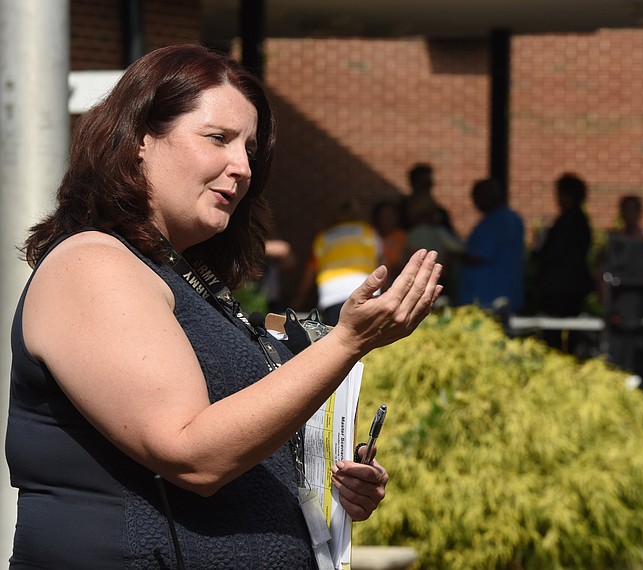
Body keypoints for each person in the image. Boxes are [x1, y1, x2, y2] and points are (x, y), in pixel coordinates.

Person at [5, 44, 442, 569]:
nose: (241, 167)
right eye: (218, 139)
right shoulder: (92, 264)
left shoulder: (180, 278)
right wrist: (347, 342)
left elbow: (236, 443)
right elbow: (191, 454)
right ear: (140, 139)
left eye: (251, 149)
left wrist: (323, 488)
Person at [529, 172, 595, 351]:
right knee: (571, 331)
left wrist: (538, 249)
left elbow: (552, 253)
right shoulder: (582, 221)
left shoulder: (567, 221)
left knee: (553, 333)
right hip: (572, 286)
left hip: (559, 288)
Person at [292, 199, 382, 325]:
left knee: (338, 336)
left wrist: (299, 299)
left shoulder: (323, 237)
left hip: (332, 292)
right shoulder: (368, 231)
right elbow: (382, 263)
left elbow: (310, 271)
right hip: (365, 287)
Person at [457, 178, 525, 313]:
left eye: (477, 196)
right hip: (509, 294)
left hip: (486, 297)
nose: (475, 201)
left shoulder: (493, 222)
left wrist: (455, 253)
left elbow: (478, 256)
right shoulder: (514, 219)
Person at [399, 163, 454, 233]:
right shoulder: (401, 211)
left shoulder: (440, 213)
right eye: (423, 183)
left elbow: (450, 238)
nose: (426, 189)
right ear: (413, 184)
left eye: (429, 184)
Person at [371, 199, 407, 287]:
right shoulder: (370, 234)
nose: (388, 219)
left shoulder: (402, 236)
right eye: (384, 216)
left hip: (395, 281)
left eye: (391, 215)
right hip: (371, 279)